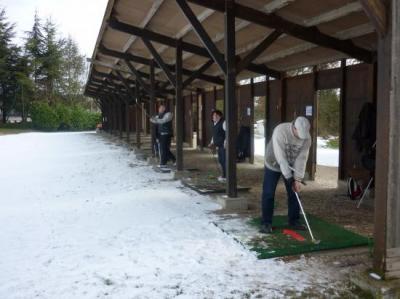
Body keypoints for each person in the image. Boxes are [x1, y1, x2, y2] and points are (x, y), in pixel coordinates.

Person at [260, 116, 312, 234]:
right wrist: (289, 178)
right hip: (273, 162)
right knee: (268, 193)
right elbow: (281, 158)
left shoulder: (307, 138)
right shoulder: (280, 131)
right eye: (299, 134)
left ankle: (294, 221)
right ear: (294, 127)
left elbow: (302, 159)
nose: (301, 138)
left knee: (294, 192)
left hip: (291, 164)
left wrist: (297, 179)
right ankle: (266, 223)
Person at [208, 110, 226, 182]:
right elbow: (214, 135)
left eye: (216, 115)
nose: (214, 117)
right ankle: (224, 175)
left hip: (224, 145)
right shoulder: (215, 124)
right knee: (221, 160)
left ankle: (226, 176)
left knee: (224, 161)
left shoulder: (223, 123)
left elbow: (227, 133)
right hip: (219, 145)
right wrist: (211, 142)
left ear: (220, 116)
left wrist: (226, 141)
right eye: (213, 116)